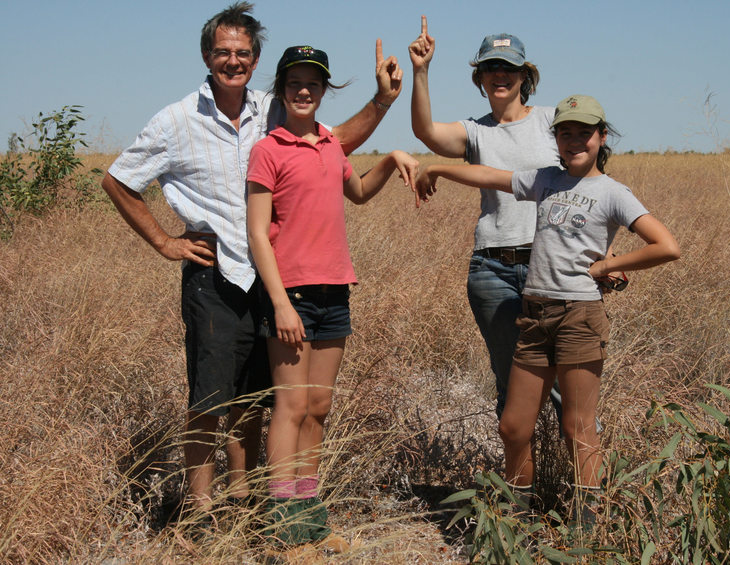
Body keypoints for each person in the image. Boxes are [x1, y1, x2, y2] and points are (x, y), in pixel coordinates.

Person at [101, 1, 403, 525]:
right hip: (216, 273)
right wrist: (165, 242)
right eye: (223, 52)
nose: (233, 61)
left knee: (256, 399)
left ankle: (244, 504)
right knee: (210, 397)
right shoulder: (176, 119)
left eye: (242, 52)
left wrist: (382, 102)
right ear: (206, 55)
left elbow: (329, 143)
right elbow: (118, 179)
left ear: (256, 58)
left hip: (272, 277)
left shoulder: (273, 107)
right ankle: (199, 514)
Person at [417, 94, 680, 527]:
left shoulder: (613, 192)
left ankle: (585, 534)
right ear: (554, 138)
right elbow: (491, 175)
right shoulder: (546, 180)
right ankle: (515, 527)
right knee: (513, 427)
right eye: (565, 132)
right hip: (535, 316)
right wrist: (439, 167)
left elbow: (666, 245)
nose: (574, 140)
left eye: (584, 132)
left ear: (602, 137)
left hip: (579, 316)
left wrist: (608, 265)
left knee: (578, 429)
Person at [246, 45, 418, 550]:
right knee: (290, 406)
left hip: (334, 289)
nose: (304, 91)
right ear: (282, 90)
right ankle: (283, 528)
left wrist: (389, 159)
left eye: (313, 84)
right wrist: (279, 302)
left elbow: (359, 192)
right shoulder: (268, 149)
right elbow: (258, 233)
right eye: (295, 83)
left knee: (318, 406)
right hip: (291, 293)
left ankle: (310, 517)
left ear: (324, 91)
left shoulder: (329, 145)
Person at [408, 17, 564, 421]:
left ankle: (585, 482)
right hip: (492, 269)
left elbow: (589, 185)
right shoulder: (475, 132)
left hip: (550, 265)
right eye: (492, 67)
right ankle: (516, 484)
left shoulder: (552, 121)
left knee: (566, 383)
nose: (500, 75)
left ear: (524, 75)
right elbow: (426, 132)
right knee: (511, 384)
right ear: (479, 76)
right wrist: (421, 72)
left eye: (509, 67)